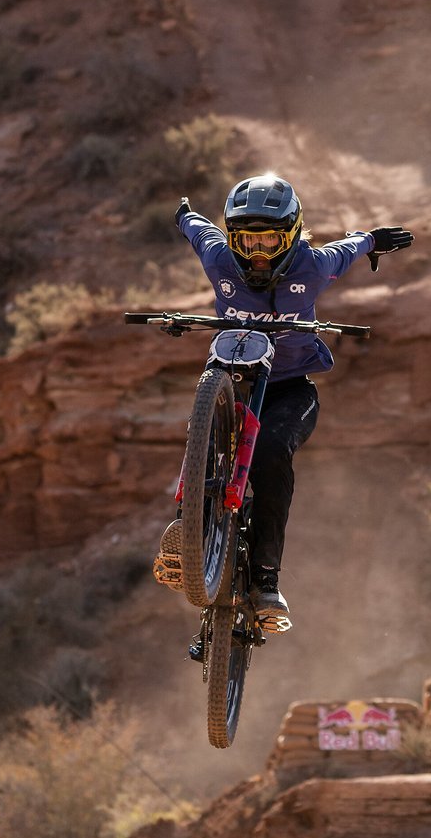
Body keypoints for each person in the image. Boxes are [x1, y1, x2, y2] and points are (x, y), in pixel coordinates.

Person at [154, 176, 413, 633]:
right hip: (231, 379)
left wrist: (373, 241)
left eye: (269, 238)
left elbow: (347, 248)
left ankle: (265, 582)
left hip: (291, 389)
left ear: (291, 234)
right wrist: (182, 211)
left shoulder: (311, 267)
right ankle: (189, 529)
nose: (257, 250)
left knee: (273, 451)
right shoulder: (219, 258)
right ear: (233, 238)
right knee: (202, 421)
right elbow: (198, 229)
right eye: (247, 238)